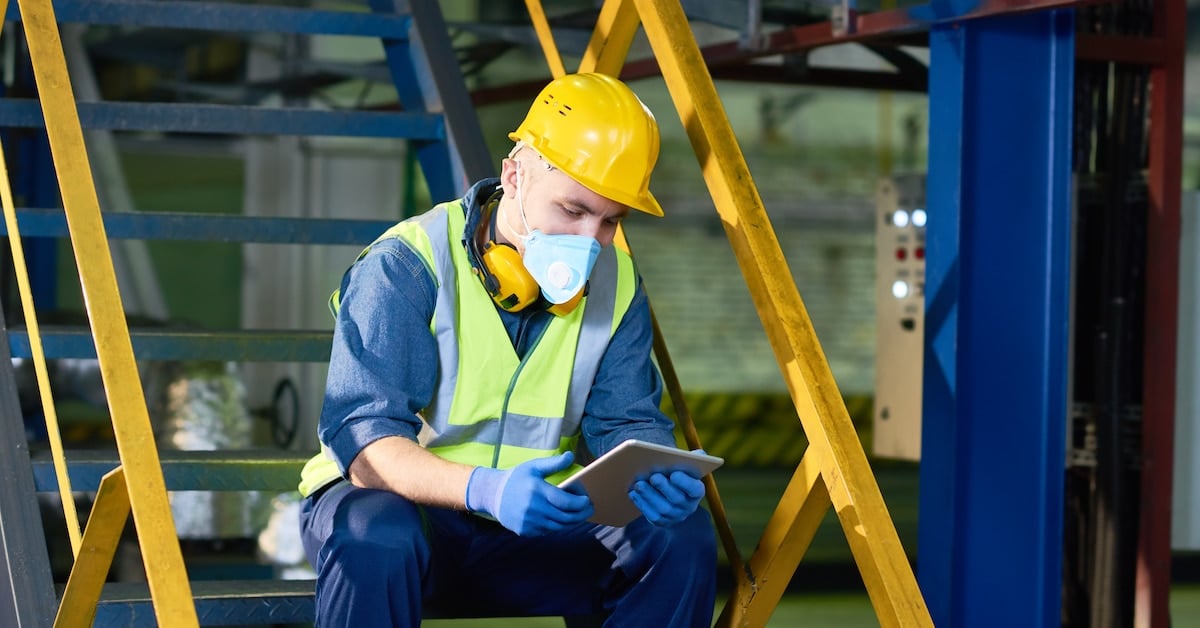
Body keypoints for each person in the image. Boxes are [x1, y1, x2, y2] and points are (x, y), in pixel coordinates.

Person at [297, 72, 717, 627]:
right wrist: (485, 490)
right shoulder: (408, 263)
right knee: (376, 535)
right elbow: (367, 446)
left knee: (677, 538)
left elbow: (625, 424)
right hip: (414, 518)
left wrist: (654, 480)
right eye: (572, 211)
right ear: (514, 175)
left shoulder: (617, 284)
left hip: (533, 523)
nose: (591, 240)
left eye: (611, 220)